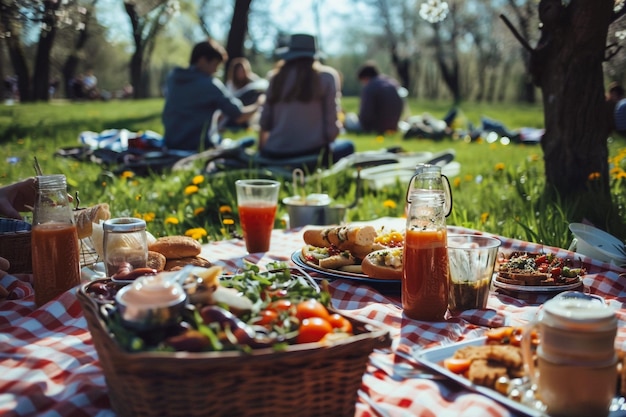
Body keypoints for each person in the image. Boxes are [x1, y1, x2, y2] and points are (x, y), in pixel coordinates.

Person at [258, 33, 354, 163]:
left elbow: (264, 122)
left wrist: (263, 152)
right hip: (312, 153)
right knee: (348, 146)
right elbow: (331, 130)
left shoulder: (275, 78)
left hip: (275, 152)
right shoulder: (327, 77)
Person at [162, 39, 261, 151]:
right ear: (203, 60)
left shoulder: (173, 78)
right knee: (248, 141)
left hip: (170, 142)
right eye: (215, 65)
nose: (215, 71)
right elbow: (239, 116)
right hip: (198, 146)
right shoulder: (210, 84)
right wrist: (258, 105)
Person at [344, 61, 404, 134]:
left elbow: (366, 114)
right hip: (394, 126)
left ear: (365, 78)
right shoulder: (394, 83)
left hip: (374, 127)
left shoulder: (370, 86)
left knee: (349, 118)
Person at [224, 57, 268, 130]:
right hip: (237, 109)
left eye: (242, 71)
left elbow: (263, 85)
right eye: (238, 71)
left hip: (250, 107)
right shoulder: (230, 84)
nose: (240, 73)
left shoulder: (252, 80)